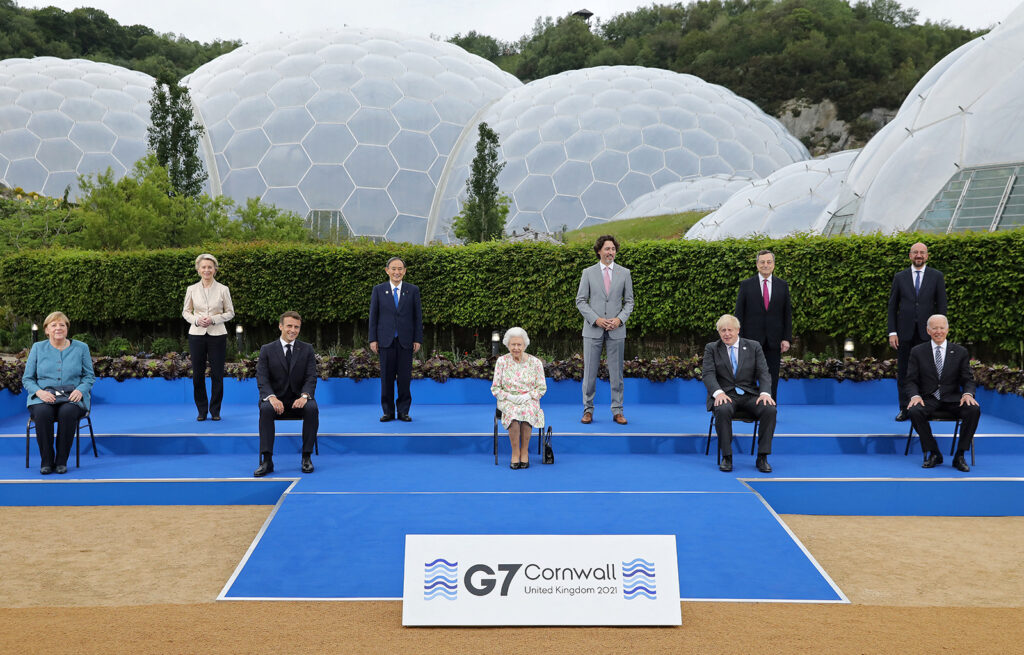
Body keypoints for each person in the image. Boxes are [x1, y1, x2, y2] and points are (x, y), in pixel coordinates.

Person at [22, 311, 95, 475]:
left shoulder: (81, 348)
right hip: (43, 397)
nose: (58, 328)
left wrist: (80, 390)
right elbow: (27, 379)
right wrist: (39, 392)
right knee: (42, 413)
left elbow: (89, 376)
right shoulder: (37, 348)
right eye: (53, 325)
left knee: (67, 412)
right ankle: (46, 461)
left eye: (62, 325)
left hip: (72, 397)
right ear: (46, 330)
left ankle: (62, 461)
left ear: (67, 329)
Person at [702, 314, 777, 473]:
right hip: (726, 394)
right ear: (719, 332)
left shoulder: (754, 346)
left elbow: (763, 373)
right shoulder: (712, 348)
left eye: (730, 330)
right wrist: (718, 393)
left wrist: (765, 393)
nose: (726, 334)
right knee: (722, 409)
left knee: (769, 409)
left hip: (749, 394)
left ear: (738, 330)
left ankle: (762, 457)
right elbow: (708, 374)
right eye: (723, 330)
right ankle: (727, 457)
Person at [905, 315, 979, 472]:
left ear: (947, 329)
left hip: (952, 398)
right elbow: (910, 380)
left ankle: (960, 455)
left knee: (973, 409)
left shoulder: (960, 352)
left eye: (942, 328)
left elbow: (968, 379)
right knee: (914, 411)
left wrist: (968, 394)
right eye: (934, 328)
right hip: (928, 398)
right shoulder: (917, 352)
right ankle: (934, 452)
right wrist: (915, 396)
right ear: (928, 331)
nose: (938, 331)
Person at [575, 235, 634, 425]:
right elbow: (580, 301)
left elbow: (629, 302)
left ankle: (618, 411)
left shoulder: (625, 273)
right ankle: (588, 410)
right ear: (599, 251)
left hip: (617, 330)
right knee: (589, 372)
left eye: (613, 249)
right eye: (607, 249)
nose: (611, 252)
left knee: (617, 373)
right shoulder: (588, 273)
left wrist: (619, 319)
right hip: (593, 330)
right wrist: (596, 319)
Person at [254, 311, 318, 477]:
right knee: (266, 409)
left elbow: (311, 377)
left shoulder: (307, 349)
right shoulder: (267, 349)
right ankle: (267, 460)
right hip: (275, 399)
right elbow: (262, 378)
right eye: (289, 326)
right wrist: (271, 397)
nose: (293, 330)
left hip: (298, 399)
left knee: (312, 408)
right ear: (280, 326)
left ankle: (306, 457)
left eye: (296, 327)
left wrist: (304, 396)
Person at [888, 242, 946, 421]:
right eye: (915, 252)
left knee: (928, 372)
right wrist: (892, 332)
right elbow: (892, 307)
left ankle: (926, 409)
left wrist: (940, 331)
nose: (918, 255)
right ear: (910, 256)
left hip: (927, 333)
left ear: (927, 256)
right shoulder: (900, 277)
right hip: (904, 334)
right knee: (904, 372)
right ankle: (905, 409)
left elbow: (941, 305)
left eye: (922, 252)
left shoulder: (936, 276)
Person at [369, 256, 423, 422]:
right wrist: (373, 339)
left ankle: (403, 411)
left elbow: (417, 317)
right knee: (386, 379)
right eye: (393, 269)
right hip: (385, 341)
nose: (397, 272)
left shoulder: (412, 290)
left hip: (406, 341)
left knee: (405, 379)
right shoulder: (378, 290)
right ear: (387, 271)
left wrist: (417, 339)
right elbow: (373, 316)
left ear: (404, 271)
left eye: (400, 269)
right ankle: (388, 412)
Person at [182, 253, 235, 422]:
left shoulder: (223, 289)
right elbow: (185, 312)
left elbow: (230, 313)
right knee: (197, 374)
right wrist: (196, 320)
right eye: (203, 267)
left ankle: (215, 411)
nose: (206, 270)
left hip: (217, 335)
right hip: (196, 335)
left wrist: (213, 319)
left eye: (210, 267)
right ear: (198, 270)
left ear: (215, 270)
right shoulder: (191, 289)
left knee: (217, 374)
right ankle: (202, 411)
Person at [735, 249, 792, 400]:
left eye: (769, 262)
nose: (765, 265)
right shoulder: (746, 285)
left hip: (775, 341)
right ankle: (751, 407)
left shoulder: (783, 285)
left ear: (773, 264)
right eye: (762, 262)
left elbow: (787, 314)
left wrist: (786, 338)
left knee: (772, 377)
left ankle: (770, 408)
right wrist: (739, 339)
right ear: (757, 264)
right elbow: (739, 314)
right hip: (750, 341)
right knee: (750, 376)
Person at [490, 327, 547, 469]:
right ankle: (515, 452)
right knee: (514, 413)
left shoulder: (535, 363)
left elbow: (542, 388)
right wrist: (509, 396)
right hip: (507, 400)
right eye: (513, 344)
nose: (516, 348)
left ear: (525, 345)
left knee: (527, 411)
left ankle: (524, 451)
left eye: (519, 344)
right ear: (507, 345)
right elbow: (495, 388)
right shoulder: (502, 361)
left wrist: (528, 396)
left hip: (529, 399)